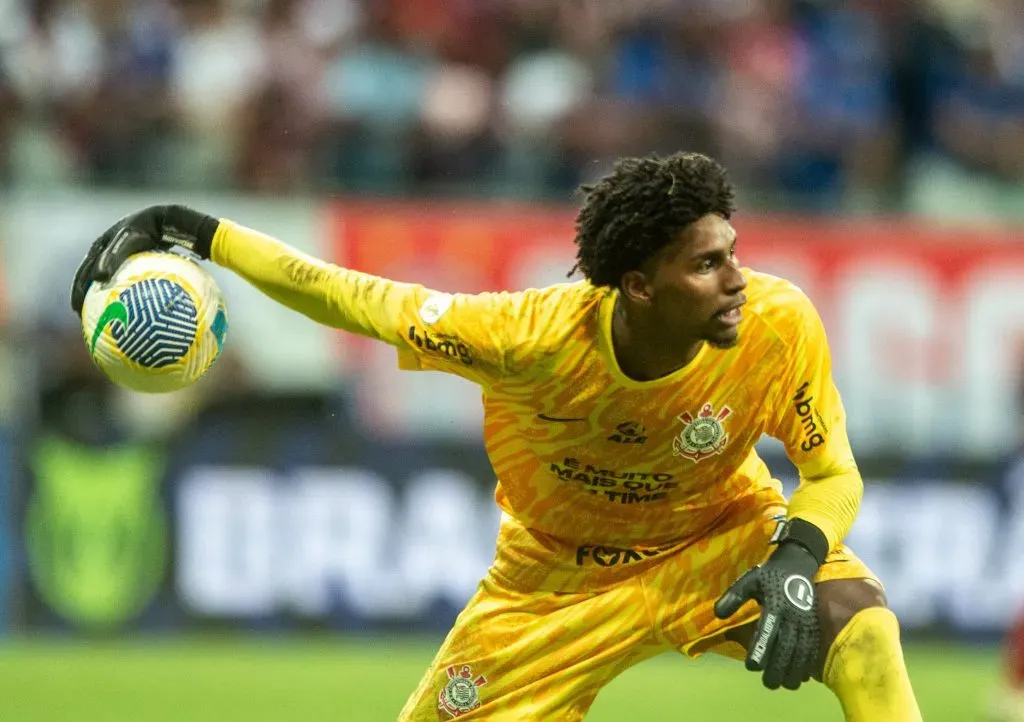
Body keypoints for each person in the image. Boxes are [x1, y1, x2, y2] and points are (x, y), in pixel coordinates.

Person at [70, 152, 921, 721]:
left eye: (734, 252)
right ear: (638, 285)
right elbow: (349, 297)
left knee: (866, 627)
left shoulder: (778, 325)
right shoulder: (528, 338)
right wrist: (203, 231)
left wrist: (799, 561)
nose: (740, 281)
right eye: (707, 265)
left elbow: (833, 474)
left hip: (717, 540)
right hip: (548, 586)